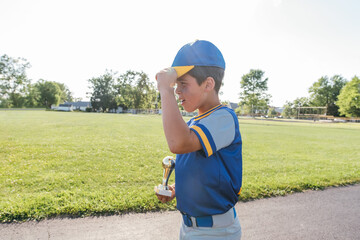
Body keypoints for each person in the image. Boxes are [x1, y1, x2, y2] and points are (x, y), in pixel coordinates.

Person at [155, 40, 243, 240]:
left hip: (215, 232)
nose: (177, 91)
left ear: (208, 84)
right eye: (176, 86)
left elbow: (179, 143)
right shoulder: (196, 122)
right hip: (191, 227)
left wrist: (165, 90)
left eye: (183, 84)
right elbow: (203, 170)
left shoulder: (223, 118)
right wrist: (177, 189)